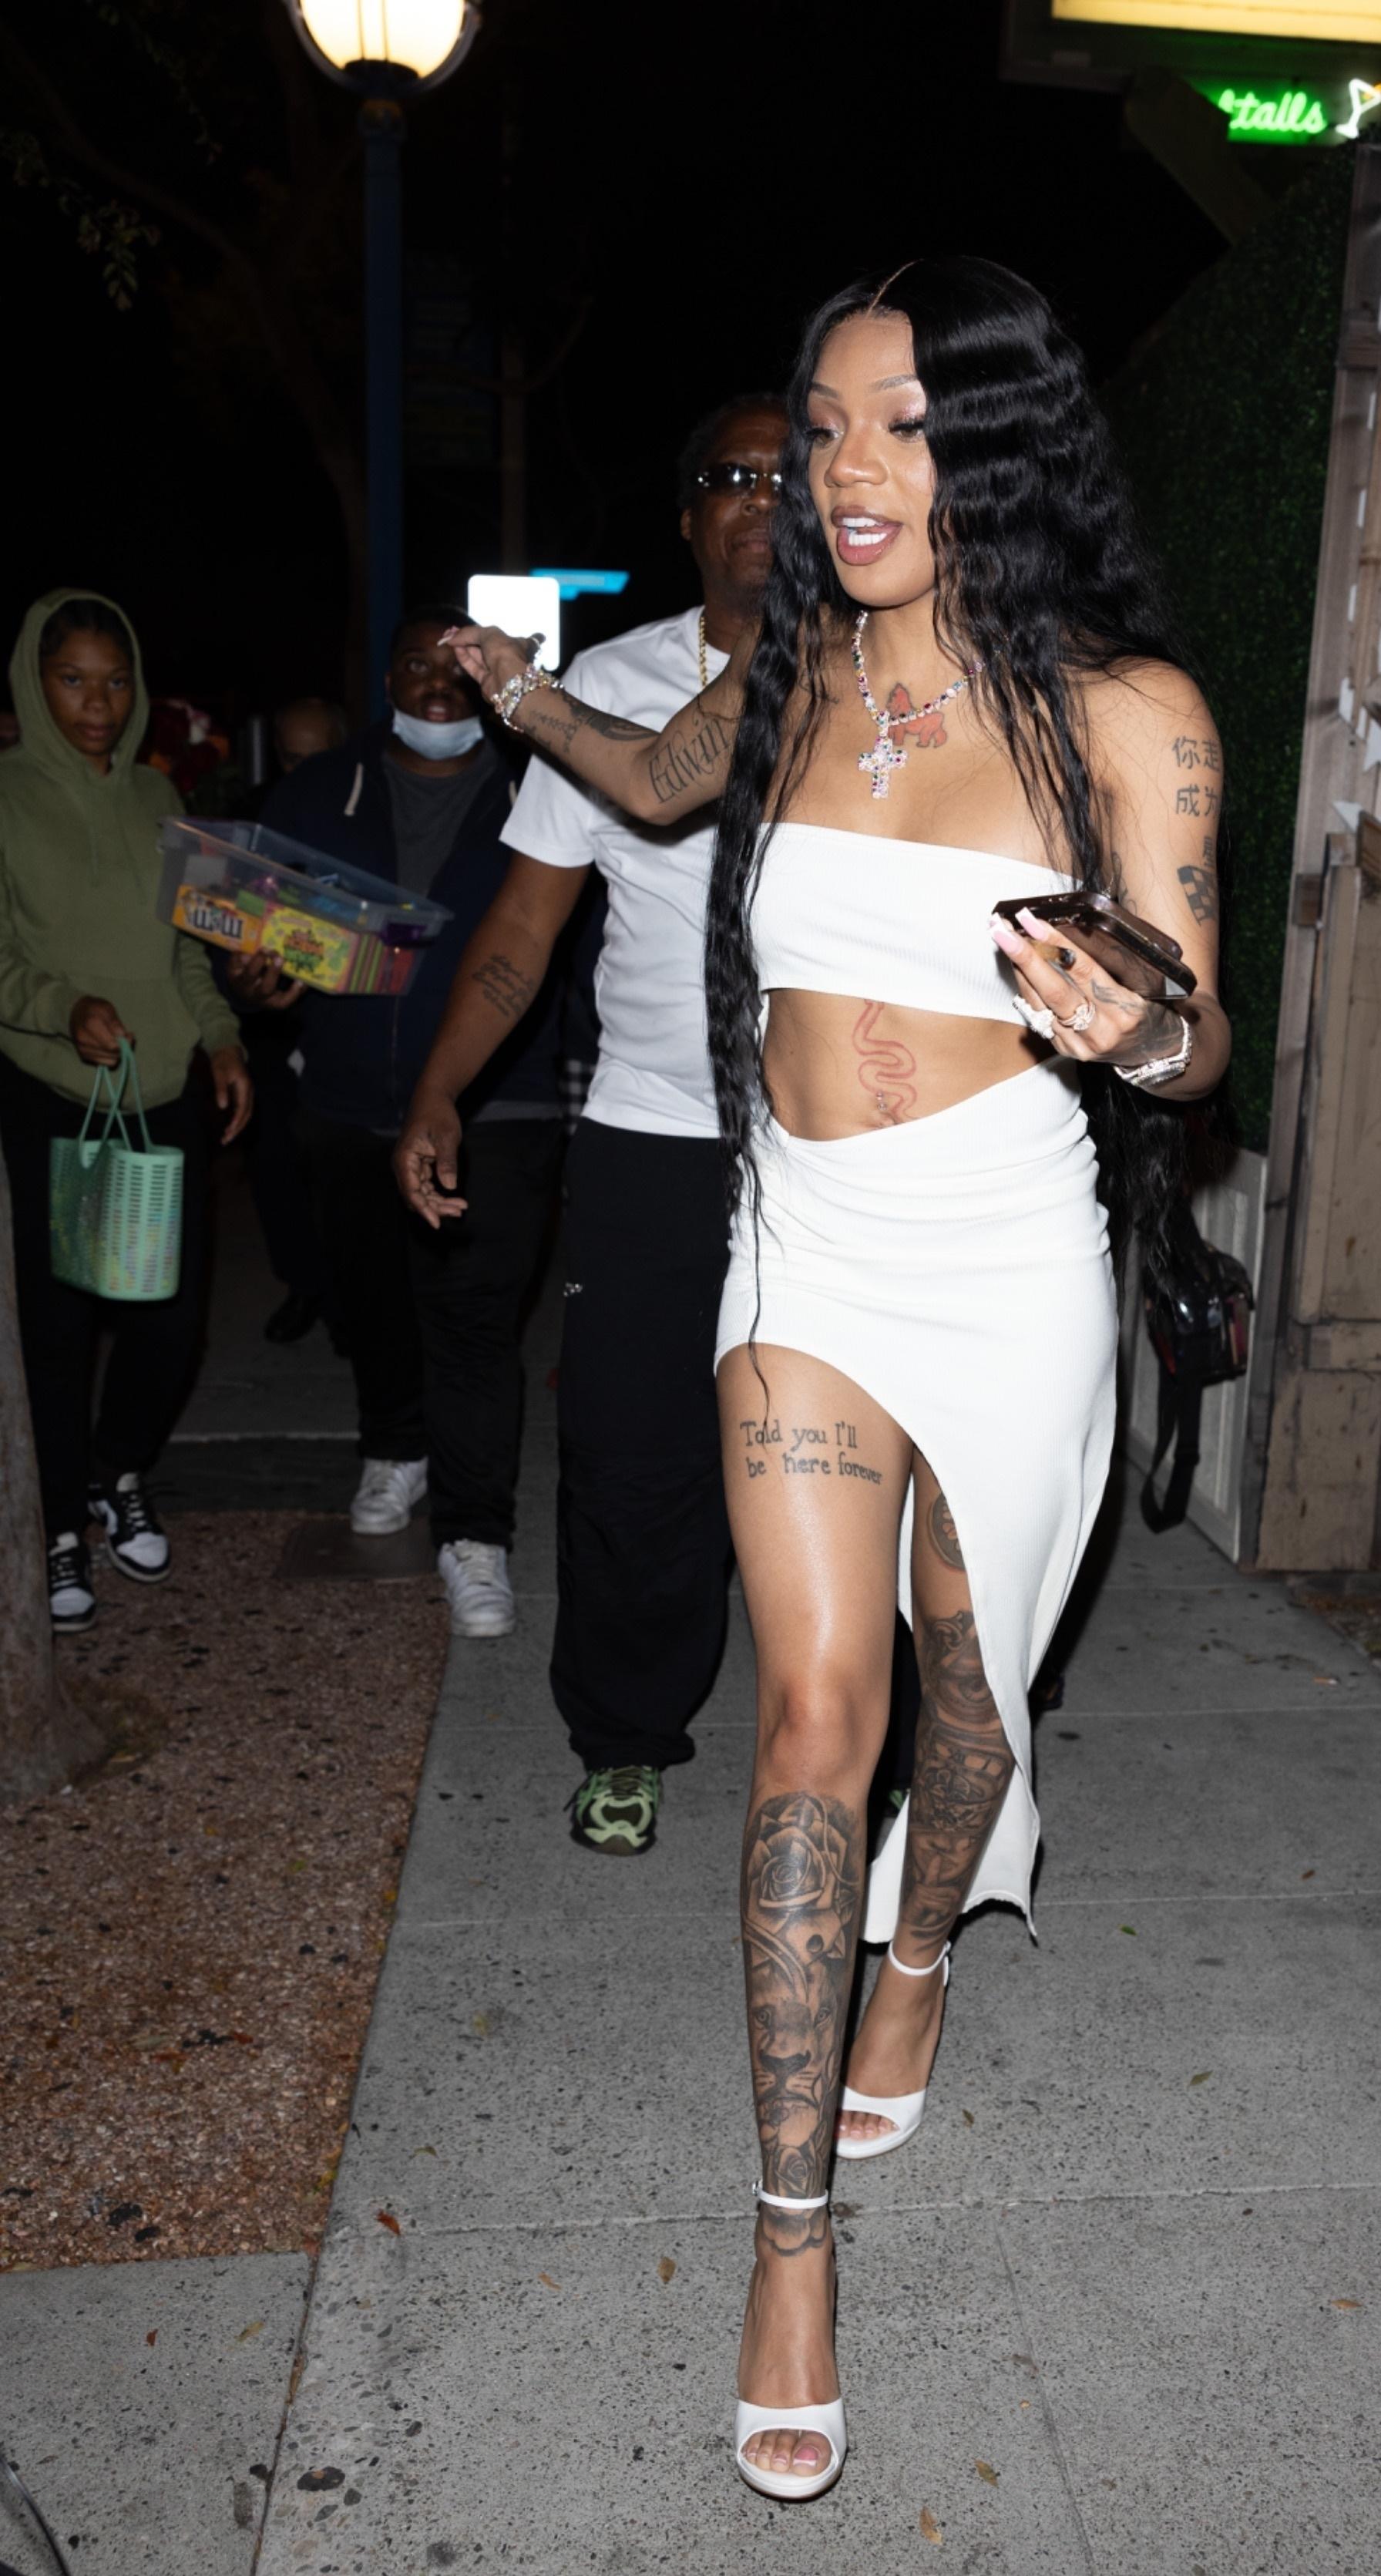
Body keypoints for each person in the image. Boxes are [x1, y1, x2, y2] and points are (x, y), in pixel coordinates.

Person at [433, 257, 1230, 2500]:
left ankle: (922, 1955)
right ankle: (790, 2238)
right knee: (810, 1714)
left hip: (1009, 1249)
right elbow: (642, 775)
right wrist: (520, 692)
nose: (848, 473)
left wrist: (1137, 1025)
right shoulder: (774, 680)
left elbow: (1199, 1035)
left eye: (904, 427)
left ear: (1003, 448)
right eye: (825, 430)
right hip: (802, 1249)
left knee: (967, 1702)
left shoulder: (1127, 712)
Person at [393, 395, 786, 1850]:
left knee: (846, 1453)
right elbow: (523, 928)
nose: (762, 497)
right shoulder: (611, 685)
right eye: (730, 475)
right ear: (686, 517)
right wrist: (440, 1087)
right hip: (653, 1134)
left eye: (790, 474)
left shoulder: (890, 682)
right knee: (633, 1451)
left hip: (842, 1145)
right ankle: (625, 1735)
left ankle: (866, 1744)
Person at [237, 613, 574, 1639]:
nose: (436, 684)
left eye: (455, 666)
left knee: (473, 1321)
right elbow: (256, 930)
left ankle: (475, 1535)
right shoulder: (315, 792)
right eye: (415, 664)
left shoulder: (542, 790)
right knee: (371, 1300)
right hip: (348, 1098)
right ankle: (394, 1446)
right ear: (385, 677)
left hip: (499, 1102)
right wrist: (254, 976)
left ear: (485, 678)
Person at [0, 589, 252, 1630]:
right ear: (35, 682)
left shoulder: (159, 796)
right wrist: (63, 1008)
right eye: (73, 680)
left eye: (114, 681)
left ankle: (118, 1471)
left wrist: (223, 1038)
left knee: (166, 1316)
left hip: (159, 1092)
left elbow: (188, 943)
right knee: (60, 1326)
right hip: (53, 1092)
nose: (97, 703)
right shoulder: (7, 795)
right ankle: (61, 1523)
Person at [237, 693, 350, 1347]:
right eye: (289, 757)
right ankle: (304, 1285)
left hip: (343, 1020)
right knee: (276, 1167)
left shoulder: (365, 811)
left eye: (317, 757)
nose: (302, 772)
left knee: (344, 1174)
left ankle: (348, 1300)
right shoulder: (258, 815)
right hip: (271, 1023)